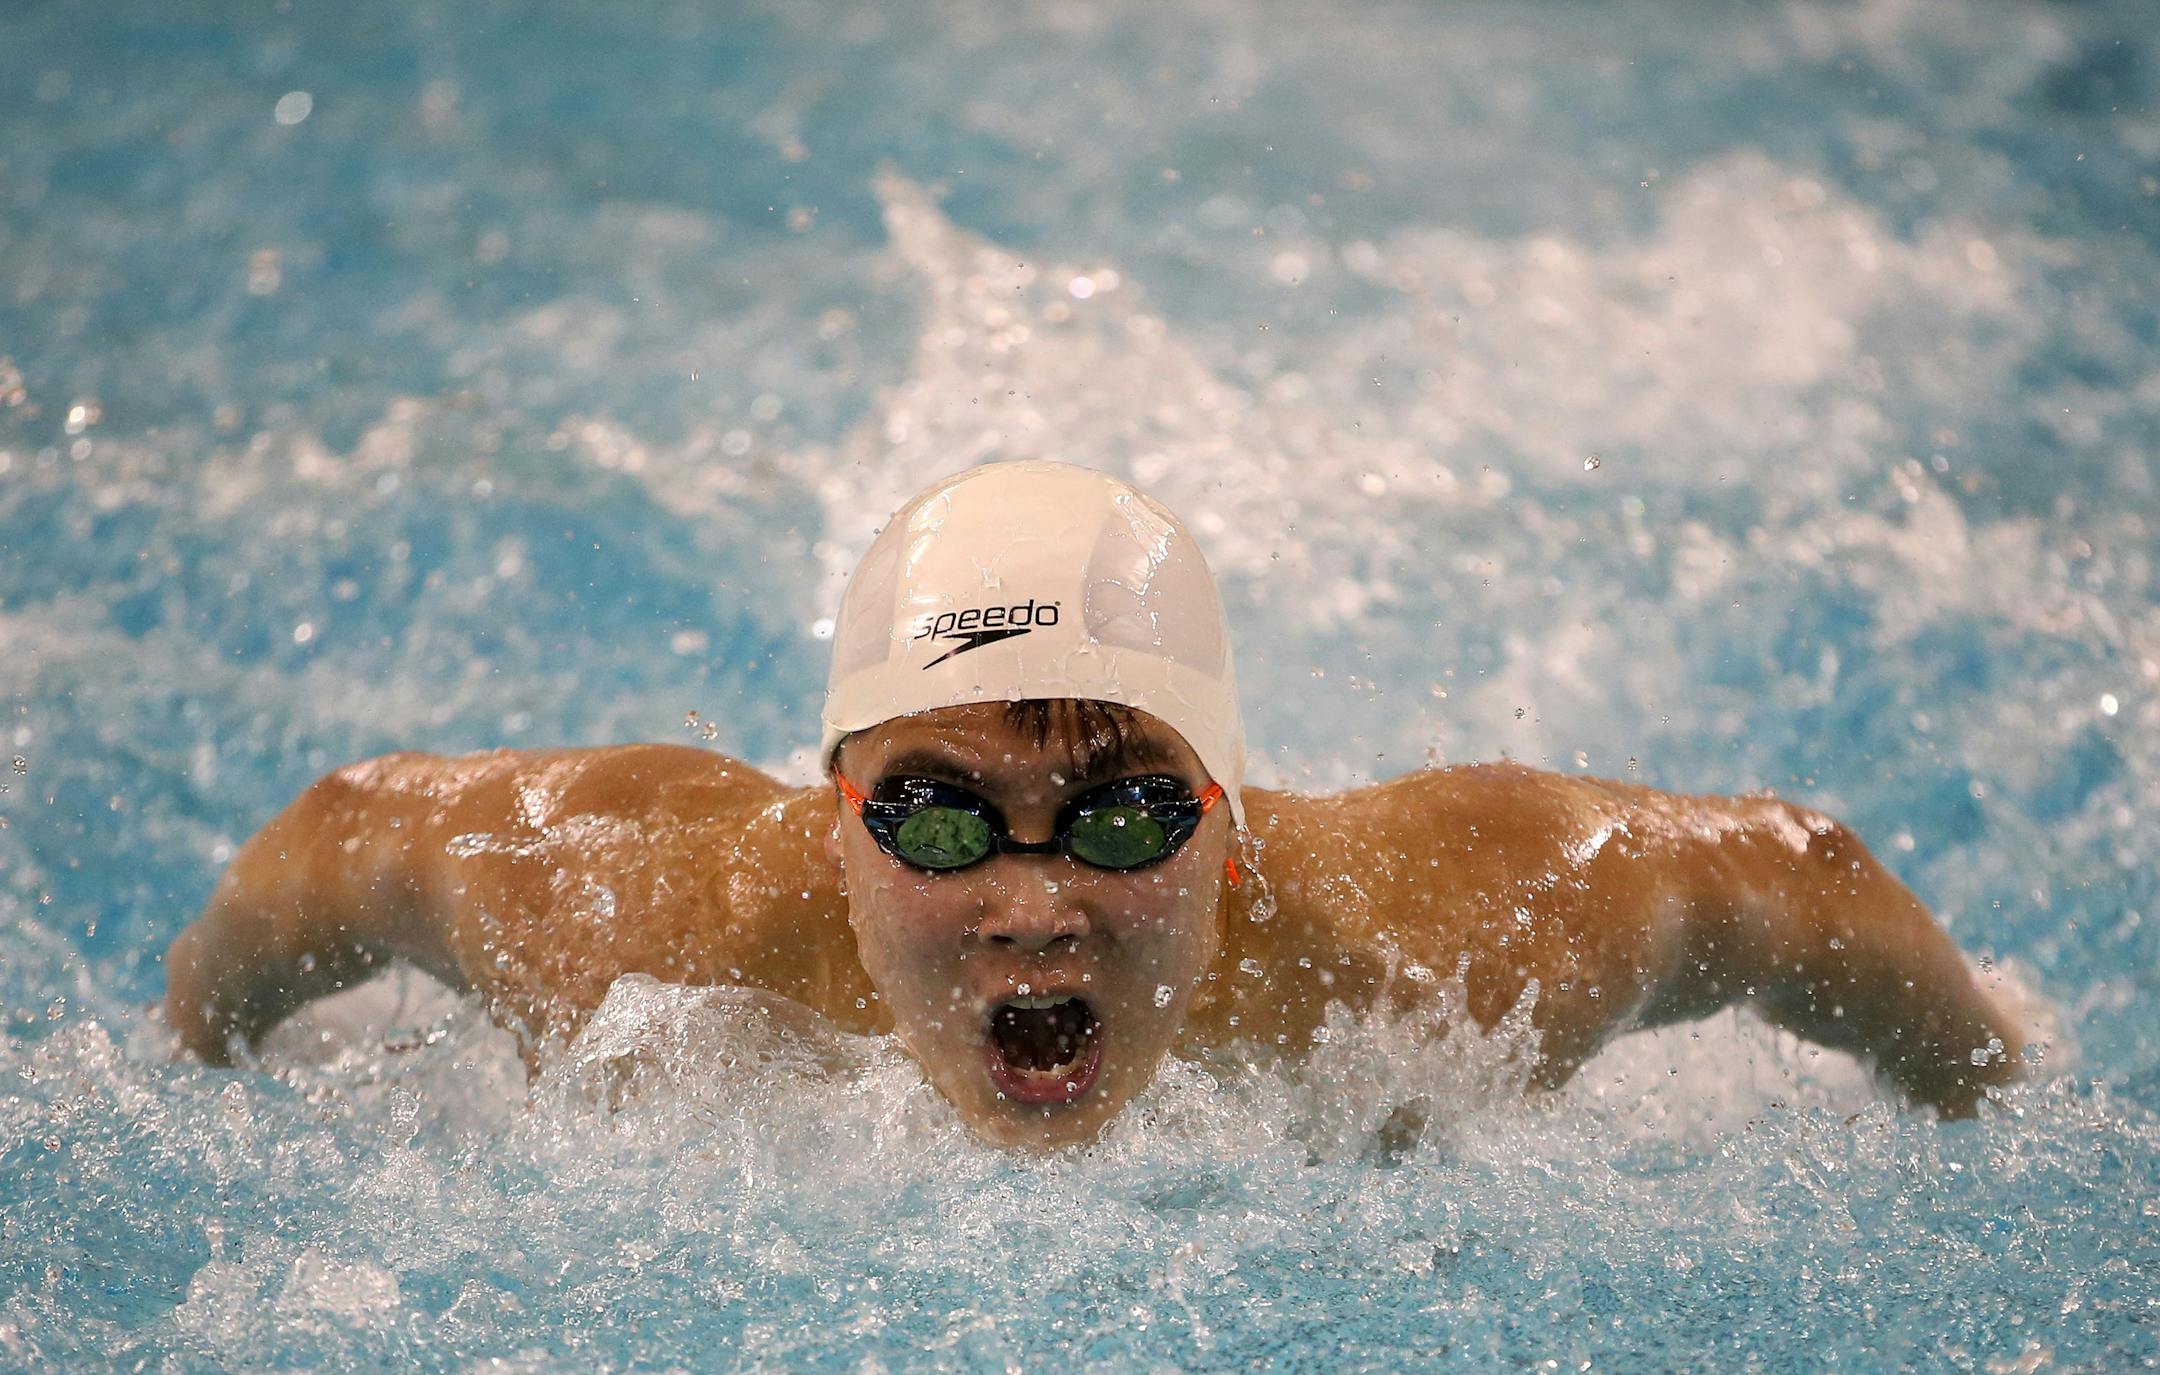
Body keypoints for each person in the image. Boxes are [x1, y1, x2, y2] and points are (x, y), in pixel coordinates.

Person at [163, 461, 2025, 1148]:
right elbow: (343, 834)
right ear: (833, 814)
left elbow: (1805, 878)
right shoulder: (632, 927)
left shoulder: (1440, 954)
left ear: (1229, 815)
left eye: (1127, 817)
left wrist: (2001, 1104)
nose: (1036, 903)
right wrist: (196, 1069)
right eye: (940, 819)